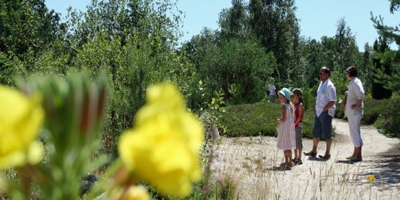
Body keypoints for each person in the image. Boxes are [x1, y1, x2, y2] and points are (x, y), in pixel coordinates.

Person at [304, 66, 336, 160]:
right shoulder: (321, 84)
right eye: (320, 73)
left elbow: (332, 100)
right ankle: (314, 150)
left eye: (322, 73)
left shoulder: (330, 86)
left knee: (327, 132)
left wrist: (325, 108)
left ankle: (327, 153)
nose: (320, 75)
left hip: (325, 112)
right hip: (319, 111)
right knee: (316, 130)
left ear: (327, 74)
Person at [344, 66, 365, 162]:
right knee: (355, 132)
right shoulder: (353, 82)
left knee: (354, 133)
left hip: (354, 112)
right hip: (352, 112)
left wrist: (357, 105)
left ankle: (358, 154)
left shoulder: (356, 82)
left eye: (347, 73)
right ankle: (356, 153)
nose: (346, 75)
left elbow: (361, 93)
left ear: (350, 73)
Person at [276, 88, 296, 168]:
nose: (280, 99)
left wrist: (279, 120)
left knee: (285, 145)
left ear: (285, 98)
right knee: (289, 145)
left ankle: (287, 161)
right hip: (290, 128)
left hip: (285, 128)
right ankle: (290, 161)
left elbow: (283, 119)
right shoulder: (291, 106)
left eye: (281, 97)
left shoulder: (284, 107)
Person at [291, 88, 304, 165]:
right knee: (294, 141)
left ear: (298, 96)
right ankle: (295, 157)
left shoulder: (300, 105)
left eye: (294, 95)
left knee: (298, 140)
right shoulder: (294, 105)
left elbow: (300, 116)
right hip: (294, 125)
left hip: (298, 125)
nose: (293, 97)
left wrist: (295, 123)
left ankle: (299, 158)